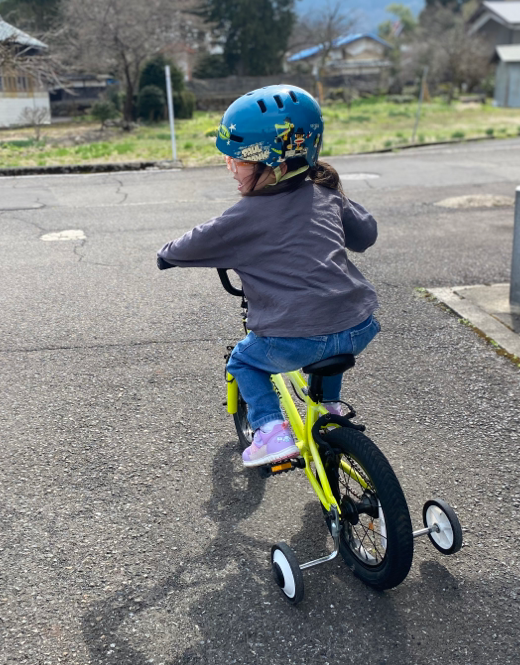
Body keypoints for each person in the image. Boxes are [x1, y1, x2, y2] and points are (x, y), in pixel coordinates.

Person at [157, 85, 380, 468]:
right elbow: (366, 235)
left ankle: (271, 431)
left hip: (295, 339)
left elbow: (192, 244)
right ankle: (329, 411)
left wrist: (166, 255)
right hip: (359, 325)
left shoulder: (243, 218)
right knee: (328, 345)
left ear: (274, 164)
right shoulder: (327, 194)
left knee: (245, 362)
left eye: (237, 160)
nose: (230, 168)